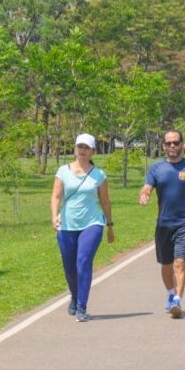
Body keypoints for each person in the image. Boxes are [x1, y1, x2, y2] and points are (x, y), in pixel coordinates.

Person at [50, 133, 114, 322]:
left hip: (92, 223)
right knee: (69, 267)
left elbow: (105, 201)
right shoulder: (63, 171)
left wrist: (109, 225)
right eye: (80, 146)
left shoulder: (99, 175)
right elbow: (55, 196)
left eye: (86, 147)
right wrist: (54, 216)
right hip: (67, 224)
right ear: (75, 149)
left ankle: (82, 306)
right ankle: (74, 295)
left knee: (83, 261)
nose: (82, 150)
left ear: (93, 151)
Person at [139, 130, 185, 318]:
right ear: (164, 146)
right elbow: (147, 186)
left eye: (176, 143)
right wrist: (145, 193)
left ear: (183, 144)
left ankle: (177, 301)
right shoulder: (156, 168)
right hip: (164, 225)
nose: (172, 146)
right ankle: (170, 294)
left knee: (180, 263)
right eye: (169, 143)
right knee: (166, 266)